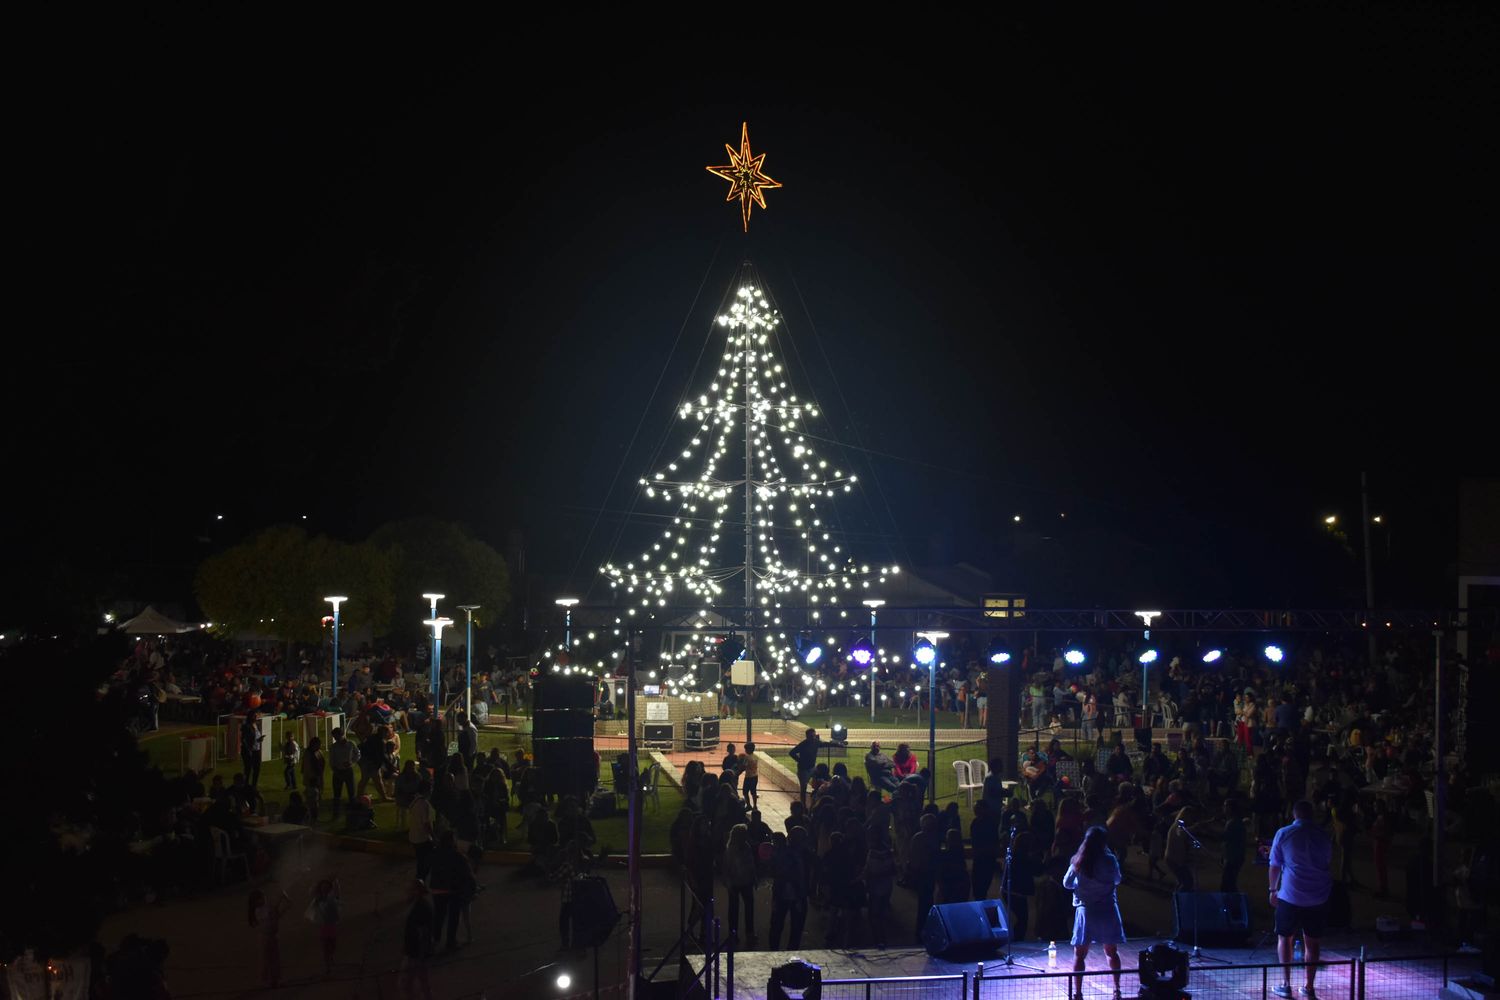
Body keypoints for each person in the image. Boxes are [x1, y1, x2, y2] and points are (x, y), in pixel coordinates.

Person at [1268, 800, 1333, 999]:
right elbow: (1328, 861)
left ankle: (1285, 984)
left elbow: (1275, 865)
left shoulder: (1284, 833)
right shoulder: (1324, 835)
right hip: (1317, 896)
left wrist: (1272, 889)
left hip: (1290, 895)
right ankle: (1309, 987)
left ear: (1294, 814)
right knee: (1312, 943)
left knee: (1285, 939)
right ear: (1312, 814)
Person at [1063, 826, 1125, 1000]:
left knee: (1080, 954)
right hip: (1107, 909)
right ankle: (1117, 989)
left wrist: (1081, 887)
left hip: (1086, 910)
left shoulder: (1078, 860)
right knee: (1112, 952)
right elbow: (1118, 880)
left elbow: (1067, 883)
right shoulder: (1110, 860)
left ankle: (1078, 993)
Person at [399, 880, 435, 1000]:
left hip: (417, 953)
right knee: (417, 983)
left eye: (411, 889)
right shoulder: (415, 904)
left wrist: (420, 955)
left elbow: (423, 934)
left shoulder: (422, 908)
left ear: (417, 891)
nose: (407, 891)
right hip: (413, 952)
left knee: (415, 983)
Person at [247, 888, 290, 988]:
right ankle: (265, 980)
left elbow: (276, 915)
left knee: (275, 959)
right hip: (265, 938)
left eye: (263, 897)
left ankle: (276, 979)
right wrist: (280, 898)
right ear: (254, 902)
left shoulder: (267, 907)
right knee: (266, 960)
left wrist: (285, 904)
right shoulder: (258, 910)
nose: (263, 899)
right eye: (259, 899)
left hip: (273, 937)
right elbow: (271, 913)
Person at [307, 878, 342, 976]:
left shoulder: (332, 896)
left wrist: (335, 881)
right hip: (323, 926)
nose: (324, 887)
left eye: (326, 886)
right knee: (325, 947)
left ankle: (330, 959)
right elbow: (311, 891)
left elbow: (337, 891)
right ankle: (328, 967)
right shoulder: (318, 899)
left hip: (332, 925)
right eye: (323, 886)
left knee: (333, 944)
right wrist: (317, 883)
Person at [328, 727, 360, 819]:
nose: (335, 739)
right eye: (334, 737)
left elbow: (357, 754)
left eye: (336, 736)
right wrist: (335, 769)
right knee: (337, 795)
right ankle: (336, 814)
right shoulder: (333, 747)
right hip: (338, 771)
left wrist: (351, 762)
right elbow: (332, 760)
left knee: (352, 793)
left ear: (341, 735)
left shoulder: (351, 744)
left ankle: (353, 814)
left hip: (348, 771)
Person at [409, 780, 436, 880]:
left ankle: (419, 882)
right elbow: (426, 824)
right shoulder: (424, 804)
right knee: (426, 863)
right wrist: (433, 837)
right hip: (422, 838)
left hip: (414, 836)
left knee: (421, 861)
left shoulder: (415, 800)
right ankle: (420, 882)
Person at [789, 728, 821, 804]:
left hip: (812, 768)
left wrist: (837, 744)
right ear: (807, 736)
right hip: (803, 770)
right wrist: (800, 761)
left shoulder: (816, 742)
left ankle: (815, 797)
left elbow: (825, 744)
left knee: (819, 777)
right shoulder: (803, 744)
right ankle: (803, 805)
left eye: (814, 735)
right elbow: (791, 752)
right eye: (811, 736)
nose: (813, 737)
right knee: (803, 788)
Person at [301, 736, 326, 825]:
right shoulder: (308, 754)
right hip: (312, 780)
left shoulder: (318, 752)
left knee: (317, 799)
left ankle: (314, 817)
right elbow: (307, 769)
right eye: (318, 744)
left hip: (317, 778)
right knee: (312, 800)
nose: (320, 746)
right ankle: (311, 817)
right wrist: (311, 779)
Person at [240, 712, 264, 790]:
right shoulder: (246, 726)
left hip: (256, 749)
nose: (256, 717)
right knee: (248, 768)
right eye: (255, 716)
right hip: (248, 750)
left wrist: (260, 739)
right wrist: (248, 749)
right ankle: (245, 784)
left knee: (257, 768)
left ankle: (254, 785)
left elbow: (255, 738)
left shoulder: (256, 725)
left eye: (256, 715)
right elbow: (244, 739)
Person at [741, 742, 760, 808]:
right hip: (755, 776)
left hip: (748, 777)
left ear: (748, 750)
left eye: (746, 749)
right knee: (753, 791)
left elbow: (744, 767)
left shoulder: (747, 757)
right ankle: (755, 805)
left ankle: (748, 805)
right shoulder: (755, 757)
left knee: (745, 791)